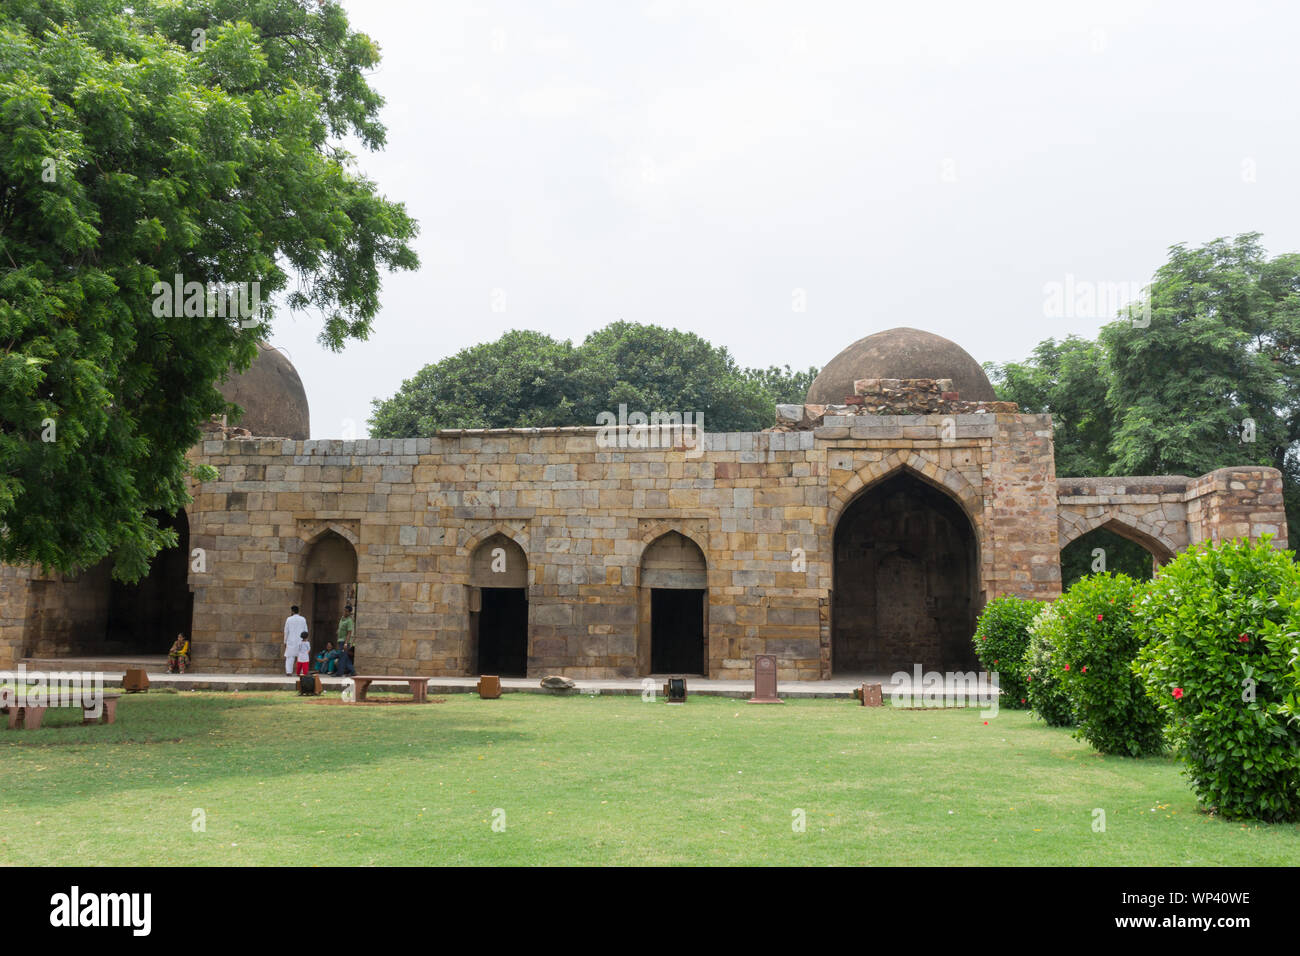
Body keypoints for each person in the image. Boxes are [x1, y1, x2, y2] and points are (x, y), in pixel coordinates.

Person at [282, 605, 307, 676]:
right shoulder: (303, 619)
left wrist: (285, 641)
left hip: (291, 640)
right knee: (301, 657)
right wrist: (305, 640)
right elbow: (306, 630)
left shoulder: (289, 619)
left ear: (292, 611)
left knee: (290, 657)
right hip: (301, 640)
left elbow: (286, 631)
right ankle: (301, 672)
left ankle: (289, 672)